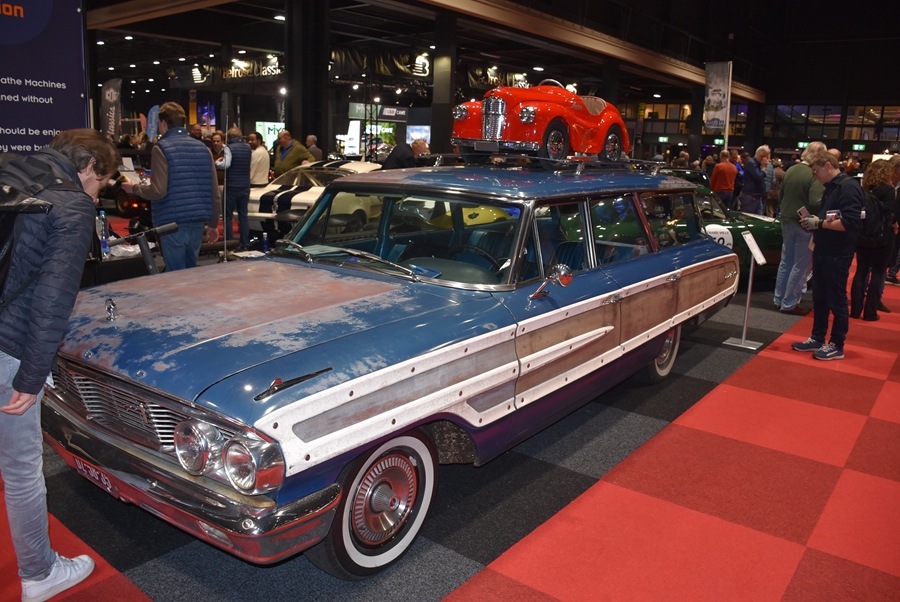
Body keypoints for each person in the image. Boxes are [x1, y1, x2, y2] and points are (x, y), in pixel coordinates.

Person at [0, 129, 118, 602]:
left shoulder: (9, 168)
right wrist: (31, 376)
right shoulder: (70, 204)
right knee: (21, 468)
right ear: (87, 166)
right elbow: (53, 300)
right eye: (101, 182)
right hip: (6, 345)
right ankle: (40, 573)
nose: (98, 192)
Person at [121, 102, 220, 271]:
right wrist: (213, 224)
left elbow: (158, 191)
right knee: (191, 271)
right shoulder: (204, 149)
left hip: (171, 223)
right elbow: (214, 192)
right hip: (197, 222)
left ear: (163, 123)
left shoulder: (161, 148)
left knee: (175, 275)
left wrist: (134, 188)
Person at [792, 148, 864, 361]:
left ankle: (837, 344)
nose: (815, 176)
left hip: (838, 252)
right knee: (820, 297)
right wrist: (814, 223)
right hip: (823, 248)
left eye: (816, 171)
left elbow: (850, 222)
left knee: (837, 299)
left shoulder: (848, 187)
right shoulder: (831, 187)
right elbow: (832, 217)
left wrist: (820, 223)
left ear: (828, 166)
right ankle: (817, 337)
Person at [773, 141, 825, 315]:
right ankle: (789, 303)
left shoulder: (791, 169)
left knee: (786, 261)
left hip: (786, 219)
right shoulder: (814, 173)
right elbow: (815, 202)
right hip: (804, 223)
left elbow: (780, 196)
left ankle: (778, 299)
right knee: (801, 265)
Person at [850, 159, 895, 320]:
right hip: (882, 238)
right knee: (878, 272)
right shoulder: (888, 190)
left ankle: (855, 310)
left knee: (861, 271)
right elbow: (890, 214)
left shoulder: (864, 189)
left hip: (863, 235)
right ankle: (870, 312)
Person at [219, 127, 252, 250]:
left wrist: (217, 163)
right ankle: (245, 244)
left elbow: (226, 164)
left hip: (231, 186)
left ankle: (230, 243)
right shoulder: (248, 149)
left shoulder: (228, 148)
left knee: (228, 216)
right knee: (243, 216)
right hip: (245, 186)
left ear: (230, 137)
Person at [739, 145, 770, 215]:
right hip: (750, 197)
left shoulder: (757, 164)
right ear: (762, 156)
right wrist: (764, 168)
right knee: (747, 218)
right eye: (767, 157)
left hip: (757, 197)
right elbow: (758, 177)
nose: (767, 160)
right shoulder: (751, 163)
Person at [210, 131, 226, 195]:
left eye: (218, 141)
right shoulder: (209, 152)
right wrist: (215, 163)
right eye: (214, 141)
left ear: (222, 142)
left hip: (224, 184)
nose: (215, 143)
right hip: (212, 184)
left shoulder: (227, 152)